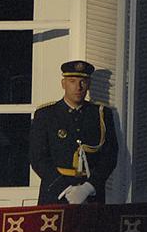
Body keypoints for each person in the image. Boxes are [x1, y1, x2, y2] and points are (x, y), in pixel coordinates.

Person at [28, 60, 118, 205]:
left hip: (91, 195)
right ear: (63, 84)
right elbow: (38, 158)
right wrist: (65, 188)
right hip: (55, 194)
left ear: (89, 85)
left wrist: (88, 188)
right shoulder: (46, 114)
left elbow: (110, 156)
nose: (78, 87)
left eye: (83, 81)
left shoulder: (101, 114)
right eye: (72, 81)